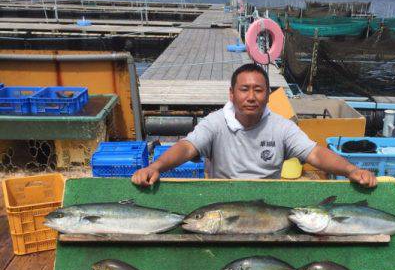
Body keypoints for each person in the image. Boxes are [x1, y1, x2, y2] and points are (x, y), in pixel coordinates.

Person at [132, 63, 377, 188]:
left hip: (267, 200)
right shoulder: (216, 122)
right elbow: (187, 147)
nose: (251, 97)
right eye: (244, 89)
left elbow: (314, 153)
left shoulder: (281, 127)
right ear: (232, 94)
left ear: (267, 95)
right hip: (223, 199)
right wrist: (157, 166)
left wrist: (350, 170)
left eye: (258, 90)